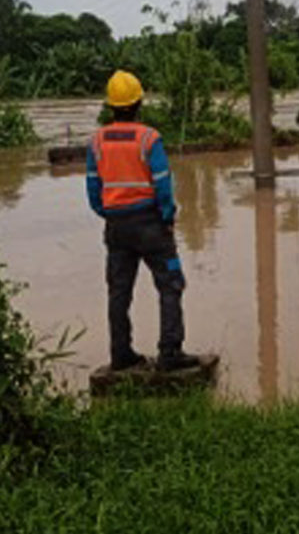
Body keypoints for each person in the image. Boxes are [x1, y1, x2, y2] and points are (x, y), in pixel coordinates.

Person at [86, 70, 199, 372]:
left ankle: (121, 355)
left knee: (119, 292)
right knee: (171, 285)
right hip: (151, 225)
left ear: (111, 105)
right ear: (139, 103)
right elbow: (163, 184)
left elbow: (93, 189)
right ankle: (170, 353)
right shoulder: (149, 138)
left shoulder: (97, 141)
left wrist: (109, 213)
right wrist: (167, 217)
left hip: (116, 227)